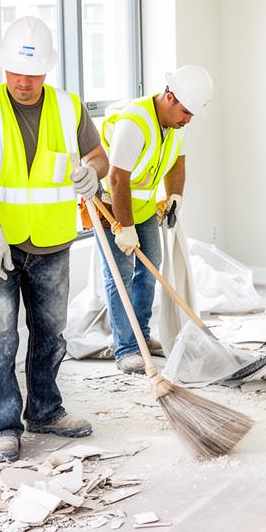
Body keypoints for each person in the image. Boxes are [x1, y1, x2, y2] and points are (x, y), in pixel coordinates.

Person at [0, 16, 109, 463]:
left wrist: (92, 173)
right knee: (0, 337)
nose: (23, 82)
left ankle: (45, 410)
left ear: (48, 70)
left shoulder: (69, 106)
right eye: (15, 72)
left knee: (51, 334)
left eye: (32, 73)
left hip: (52, 240)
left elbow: (98, 156)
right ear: (3, 66)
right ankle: (5, 427)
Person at [96, 65, 213, 373]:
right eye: (186, 112)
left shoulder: (177, 124)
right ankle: (125, 348)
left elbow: (177, 161)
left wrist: (176, 196)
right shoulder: (135, 123)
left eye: (192, 115)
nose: (188, 120)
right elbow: (117, 178)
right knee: (120, 274)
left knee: (149, 269)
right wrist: (125, 228)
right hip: (113, 206)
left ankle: (142, 335)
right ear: (170, 97)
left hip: (144, 206)